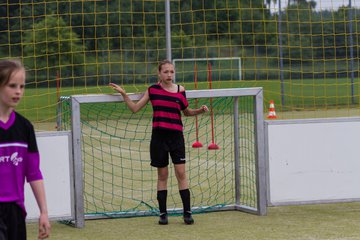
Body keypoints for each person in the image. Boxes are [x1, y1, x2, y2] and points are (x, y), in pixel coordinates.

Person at [109, 59, 208, 225]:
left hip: (176, 138)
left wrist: (199, 110)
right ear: (159, 74)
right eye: (166, 72)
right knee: (162, 175)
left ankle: (187, 213)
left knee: (181, 174)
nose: (169, 75)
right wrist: (124, 94)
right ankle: (163, 214)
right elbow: (134, 108)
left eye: (171, 72)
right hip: (158, 138)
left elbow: (186, 112)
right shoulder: (152, 90)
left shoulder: (180, 90)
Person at [0, 59, 51, 239]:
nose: (18, 91)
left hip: (16, 211)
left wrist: (43, 212)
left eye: (22, 86)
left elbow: (33, 173)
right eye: (12, 85)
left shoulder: (25, 127)